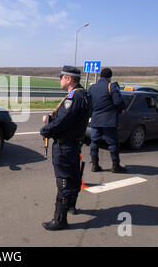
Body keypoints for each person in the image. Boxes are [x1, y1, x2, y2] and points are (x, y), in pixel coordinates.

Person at [40, 66, 91, 231]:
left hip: (65, 146)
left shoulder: (74, 97)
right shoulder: (83, 94)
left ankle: (60, 220)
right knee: (73, 178)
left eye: (61, 77)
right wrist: (50, 118)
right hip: (73, 144)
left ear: (69, 79)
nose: (59, 79)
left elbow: (65, 121)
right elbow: (69, 118)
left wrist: (46, 130)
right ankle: (70, 206)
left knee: (63, 181)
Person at [88, 68, 127, 173]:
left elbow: (89, 103)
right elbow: (118, 102)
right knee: (112, 143)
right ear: (110, 76)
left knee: (94, 142)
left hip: (96, 119)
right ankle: (115, 166)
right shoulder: (112, 86)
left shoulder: (93, 87)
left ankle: (95, 166)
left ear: (100, 75)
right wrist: (121, 109)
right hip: (109, 120)